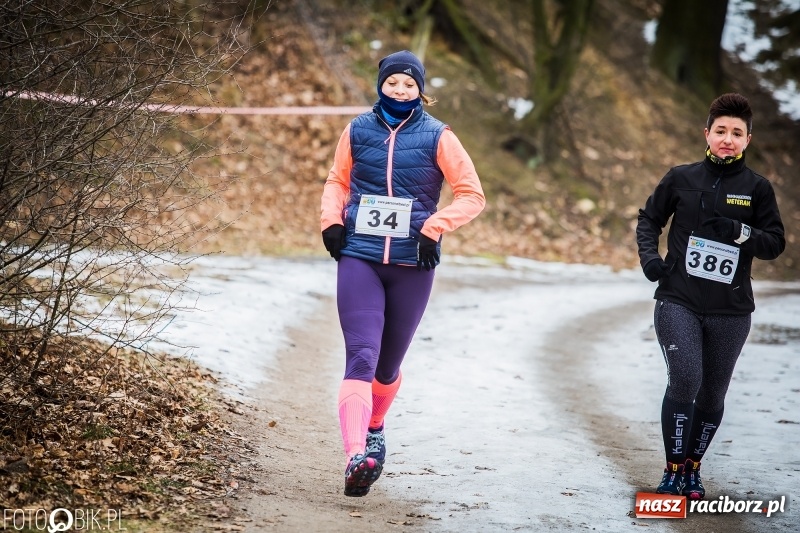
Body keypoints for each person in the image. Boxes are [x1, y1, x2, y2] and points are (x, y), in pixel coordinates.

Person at [320, 50, 485, 497]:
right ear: (381, 84)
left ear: (420, 90)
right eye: (392, 82)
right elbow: (338, 180)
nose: (399, 90)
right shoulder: (356, 130)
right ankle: (356, 455)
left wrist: (436, 227)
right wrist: (331, 221)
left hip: (413, 264)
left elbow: (472, 194)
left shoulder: (439, 136)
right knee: (361, 357)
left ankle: (375, 424)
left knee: (387, 368)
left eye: (408, 84)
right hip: (360, 256)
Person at [636, 93, 785, 500]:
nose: (728, 139)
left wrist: (741, 232)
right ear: (707, 133)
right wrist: (651, 260)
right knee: (685, 379)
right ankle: (671, 471)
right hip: (678, 299)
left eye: (737, 133)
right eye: (721, 131)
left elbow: (775, 243)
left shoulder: (757, 189)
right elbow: (649, 219)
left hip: (730, 310)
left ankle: (692, 468)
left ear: (747, 140)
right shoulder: (680, 178)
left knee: (713, 392)